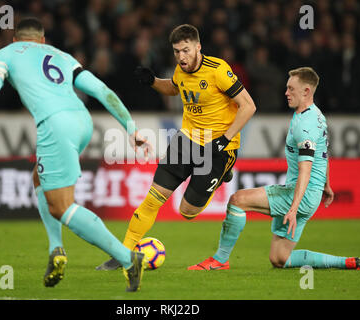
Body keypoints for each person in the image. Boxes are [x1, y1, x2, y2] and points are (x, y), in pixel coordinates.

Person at [0, 17, 150, 292]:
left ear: (15, 40)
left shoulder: (5, 54)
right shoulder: (63, 56)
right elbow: (102, 91)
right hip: (82, 121)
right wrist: (132, 128)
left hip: (55, 125)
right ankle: (56, 248)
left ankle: (128, 258)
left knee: (61, 206)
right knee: (39, 177)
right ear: (43, 41)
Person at [97, 24, 257, 270]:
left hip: (217, 148)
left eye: (185, 50)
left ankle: (224, 171)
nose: (181, 56)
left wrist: (225, 140)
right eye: (176, 51)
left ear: (198, 47)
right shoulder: (180, 70)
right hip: (186, 141)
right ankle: (123, 253)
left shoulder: (219, 70)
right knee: (152, 200)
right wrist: (152, 81)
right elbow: (174, 87)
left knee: (187, 212)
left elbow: (248, 106)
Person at [188, 67, 360, 271]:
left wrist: (293, 208)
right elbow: (323, 151)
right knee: (280, 258)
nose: (286, 93)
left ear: (306, 91)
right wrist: (326, 184)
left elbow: (305, 170)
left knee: (238, 201)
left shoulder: (304, 125)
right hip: (311, 195)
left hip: (301, 196)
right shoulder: (316, 115)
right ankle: (346, 263)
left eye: (291, 89)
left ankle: (220, 260)